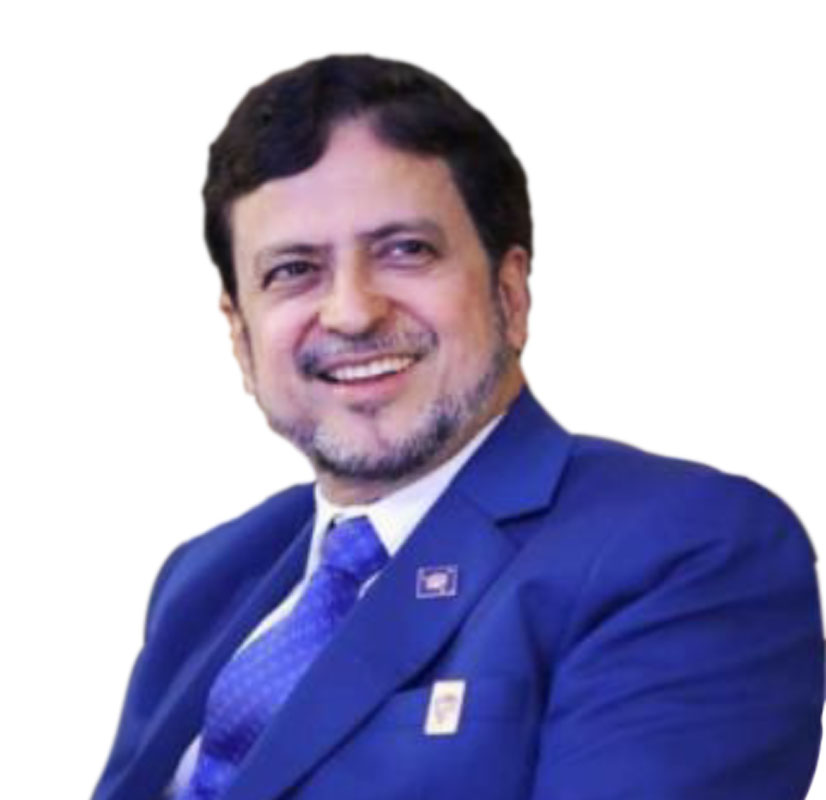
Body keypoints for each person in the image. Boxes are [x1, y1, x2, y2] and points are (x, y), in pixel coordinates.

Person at [91, 54, 824, 800]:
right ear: (240, 334)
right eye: (293, 270)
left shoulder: (686, 549)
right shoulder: (205, 577)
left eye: (405, 251)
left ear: (511, 293)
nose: (352, 312)